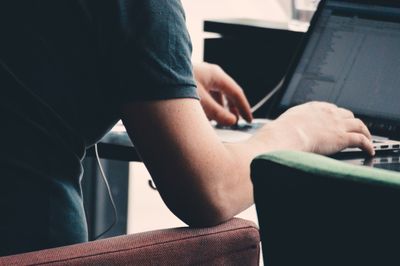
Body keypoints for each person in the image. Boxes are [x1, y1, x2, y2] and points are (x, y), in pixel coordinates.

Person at [0, 0, 374, 256]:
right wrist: (297, 133)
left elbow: (36, 58)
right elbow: (208, 191)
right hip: (31, 244)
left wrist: (158, 81)